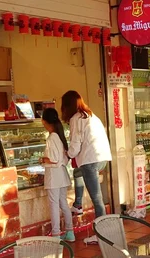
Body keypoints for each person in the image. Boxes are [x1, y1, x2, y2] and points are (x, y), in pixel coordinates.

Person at [62, 90, 112, 244]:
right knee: (82, 177)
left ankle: (101, 234)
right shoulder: (90, 114)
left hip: (90, 160)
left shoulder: (76, 118)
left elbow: (75, 144)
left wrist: (67, 153)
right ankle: (78, 205)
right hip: (101, 157)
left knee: (97, 200)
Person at [40, 108, 74, 242]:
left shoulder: (51, 138)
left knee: (54, 205)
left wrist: (42, 160)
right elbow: (63, 158)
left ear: (44, 121)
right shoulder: (59, 136)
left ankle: (56, 234)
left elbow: (53, 160)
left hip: (54, 176)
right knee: (63, 204)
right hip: (62, 174)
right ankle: (70, 232)